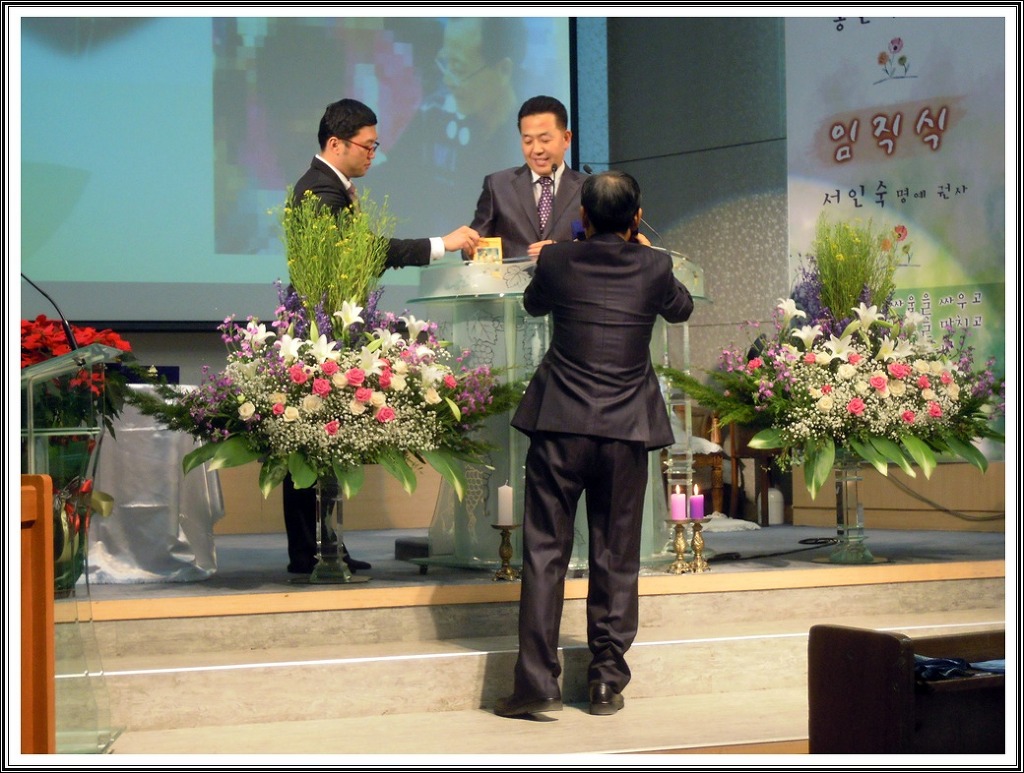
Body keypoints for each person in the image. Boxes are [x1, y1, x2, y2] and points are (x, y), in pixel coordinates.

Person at [494, 170, 694, 717]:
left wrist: (568, 249)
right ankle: (606, 681)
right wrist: (646, 251)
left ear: (582, 216)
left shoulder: (557, 260)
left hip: (560, 423)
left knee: (544, 554)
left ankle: (537, 685)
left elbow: (534, 304)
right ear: (636, 217)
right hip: (625, 429)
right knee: (616, 554)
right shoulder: (655, 265)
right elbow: (681, 309)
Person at [285, 98, 480, 575]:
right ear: (336, 143)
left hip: (332, 324)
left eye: (376, 146)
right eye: (367, 146)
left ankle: (321, 544)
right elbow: (363, 252)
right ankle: (312, 549)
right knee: (316, 443)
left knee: (324, 442)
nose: (374, 154)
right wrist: (441, 244)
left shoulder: (330, 186)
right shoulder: (320, 190)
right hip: (322, 329)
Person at [373, 18, 526, 239]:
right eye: (445, 63)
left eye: (459, 69)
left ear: (503, 70)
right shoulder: (434, 114)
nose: (447, 80)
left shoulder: (526, 134)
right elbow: (391, 174)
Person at [467, 95, 586, 260]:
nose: (536, 150)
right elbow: (472, 246)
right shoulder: (498, 185)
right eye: (528, 141)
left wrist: (562, 251)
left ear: (566, 138)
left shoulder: (589, 188)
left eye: (545, 140)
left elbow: (602, 249)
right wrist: (470, 248)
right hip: (514, 277)